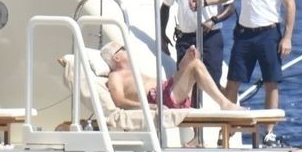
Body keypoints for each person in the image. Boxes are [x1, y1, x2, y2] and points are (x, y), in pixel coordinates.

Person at [200, 0, 295, 144]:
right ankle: (229, 127)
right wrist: (205, 1)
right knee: (232, 81)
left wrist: (287, 37)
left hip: (268, 34)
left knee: (271, 82)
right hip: (244, 35)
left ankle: (268, 132)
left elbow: (290, 5)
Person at [158, 0, 232, 106]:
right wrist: (162, 34)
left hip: (210, 36)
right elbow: (165, 6)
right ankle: (192, 114)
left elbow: (230, 7)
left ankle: (217, 107)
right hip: (185, 37)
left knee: (211, 77)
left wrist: (213, 20)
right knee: (185, 78)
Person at [102, 41, 242, 111]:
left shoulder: (134, 72)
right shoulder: (115, 76)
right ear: (116, 57)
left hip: (165, 91)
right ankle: (225, 104)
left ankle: (185, 65)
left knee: (193, 62)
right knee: (196, 65)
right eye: (123, 49)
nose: (127, 50)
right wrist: (149, 107)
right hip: (158, 98)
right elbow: (119, 101)